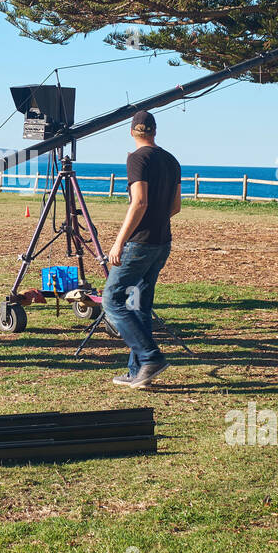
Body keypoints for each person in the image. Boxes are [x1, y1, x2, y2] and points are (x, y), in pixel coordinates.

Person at [102, 110, 181, 389]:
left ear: (132, 132)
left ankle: (150, 357)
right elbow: (175, 207)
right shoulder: (171, 160)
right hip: (162, 242)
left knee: (111, 301)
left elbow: (139, 202)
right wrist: (157, 221)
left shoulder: (137, 158)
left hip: (140, 243)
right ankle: (138, 371)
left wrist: (119, 242)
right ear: (155, 131)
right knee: (139, 305)